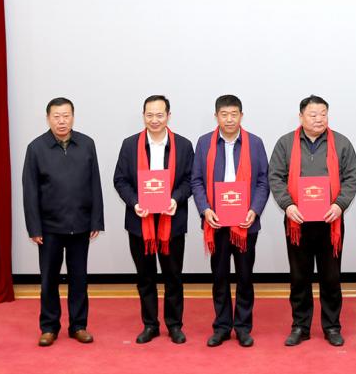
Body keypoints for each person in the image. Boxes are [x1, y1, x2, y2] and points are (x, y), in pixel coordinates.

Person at [269, 95, 356, 347]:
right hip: (297, 222)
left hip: (331, 222)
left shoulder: (341, 143)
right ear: (301, 117)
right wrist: (288, 205)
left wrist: (339, 205)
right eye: (313, 114)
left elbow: (352, 177)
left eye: (323, 114)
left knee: (331, 277)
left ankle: (332, 326)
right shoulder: (285, 143)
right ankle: (300, 326)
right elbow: (275, 176)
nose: (319, 119)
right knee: (299, 277)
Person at [21, 97, 104, 347]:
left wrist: (96, 220)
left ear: (73, 117)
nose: (61, 121)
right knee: (49, 280)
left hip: (80, 224)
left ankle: (78, 325)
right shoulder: (36, 148)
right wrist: (34, 227)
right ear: (48, 118)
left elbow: (95, 184)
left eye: (66, 116)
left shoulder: (86, 144)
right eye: (56, 116)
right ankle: (49, 327)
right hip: (49, 228)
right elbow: (30, 191)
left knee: (79, 279)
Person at [112, 95, 195, 344]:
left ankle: (174, 325)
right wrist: (135, 202)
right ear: (143, 116)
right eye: (150, 115)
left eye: (160, 115)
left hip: (172, 222)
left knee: (173, 277)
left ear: (169, 116)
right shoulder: (130, 145)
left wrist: (175, 199)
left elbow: (190, 180)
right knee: (145, 277)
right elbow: (120, 180)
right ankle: (150, 325)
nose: (154, 120)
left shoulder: (183, 145)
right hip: (140, 222)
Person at [190, 94, 270, 348]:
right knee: (220, 277)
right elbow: (196, 181)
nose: (229, 119)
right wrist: (205, 209)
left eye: (234, 114)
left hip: (246, 223)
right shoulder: (204, 143)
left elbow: (263, 181)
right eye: (224, 115)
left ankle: (243, 327)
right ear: (216, 116)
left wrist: (255, 210)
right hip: (216, 222)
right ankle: (222, 327)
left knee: (245, 277)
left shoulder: (255, 143)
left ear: (241, 116)